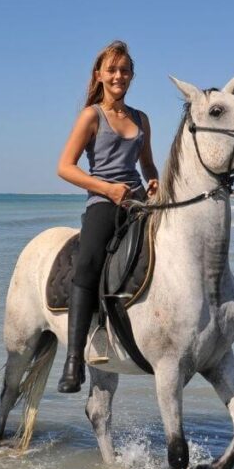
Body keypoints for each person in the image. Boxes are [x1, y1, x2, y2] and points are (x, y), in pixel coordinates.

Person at [54, 40, 159, 393]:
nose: (119, 76)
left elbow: (146, 165)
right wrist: (107, 189)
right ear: (99, 75)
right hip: (103, 203)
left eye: (125, 70)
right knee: (88, 265)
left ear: (132, 75)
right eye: (112, 70)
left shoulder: (141, 118)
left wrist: (154, 181)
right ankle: (73, 361)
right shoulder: (91, 116)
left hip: (137, 202)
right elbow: (65, 168)